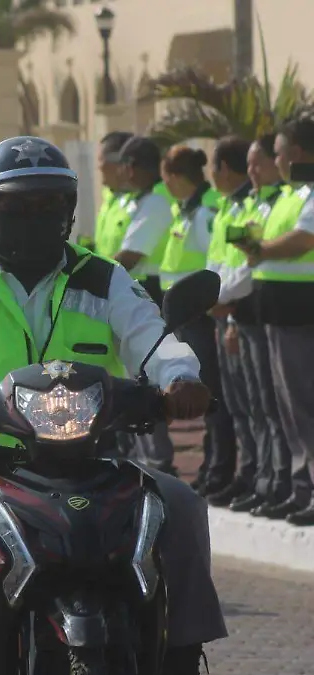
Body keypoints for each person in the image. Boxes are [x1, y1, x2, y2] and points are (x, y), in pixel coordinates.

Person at [0, 136, 227, 675]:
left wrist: (180, 378)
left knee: (180, 506)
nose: (32, 218)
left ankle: (181, 652)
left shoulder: (104, 279)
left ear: (68, 212)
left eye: (48, 206)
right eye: (16, 207)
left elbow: (153, 337)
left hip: (86, 460)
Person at [236, 115, 314, 525]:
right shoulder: (291, 192)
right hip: (279, 312)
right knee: (288, 407)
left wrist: (262, 248)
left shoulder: (308, 192)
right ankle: (302, 489)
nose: (277, 161)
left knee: (304, 404)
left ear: (297, 154)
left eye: (279, 153)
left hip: (302, 312)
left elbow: (304, 239)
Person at [159, 144, 238, 496]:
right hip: (186, 316)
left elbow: (212, 266)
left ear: (175, 177)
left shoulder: (205, 213)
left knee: (211, 395)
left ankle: (221, 468)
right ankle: (212, 465)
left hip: (202, 314)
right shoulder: (187, 211)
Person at [222, 133, 294, 514]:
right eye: (248, 164)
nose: (251, 171)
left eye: (257, 162)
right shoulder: (254, 204)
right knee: (256, 405)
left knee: (274, 405)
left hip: (266, 313)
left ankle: (282, 481)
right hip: (243, 314)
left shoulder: (282, 203)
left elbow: (253, 265)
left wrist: (224, 303)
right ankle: (265, 479)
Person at [111, 136, 180, 475]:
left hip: (147, 290)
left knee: (146, 379)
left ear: (135, 167)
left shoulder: (155, 203)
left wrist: (93, 276)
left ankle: (159, 462)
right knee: (131, 376)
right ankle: (143, 458)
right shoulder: (140, 201)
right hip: (134, 287)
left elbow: (132, 254)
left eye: (126, 165)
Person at [201, 136, 259, 507]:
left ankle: (262, 477)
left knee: (258, 405)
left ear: (224, 169)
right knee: (239, 404)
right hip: (223, 311)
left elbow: (249, 267)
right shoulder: (226, 207)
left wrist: (221, 300)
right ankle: (249, 474)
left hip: (241, 312)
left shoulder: (249, 206)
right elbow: (218, 263)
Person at [93, 130, 134, 258]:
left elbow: (131, 255)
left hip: (137, 277)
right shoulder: (110, 198)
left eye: (102, 160)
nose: (99, 166)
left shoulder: (149, 198)